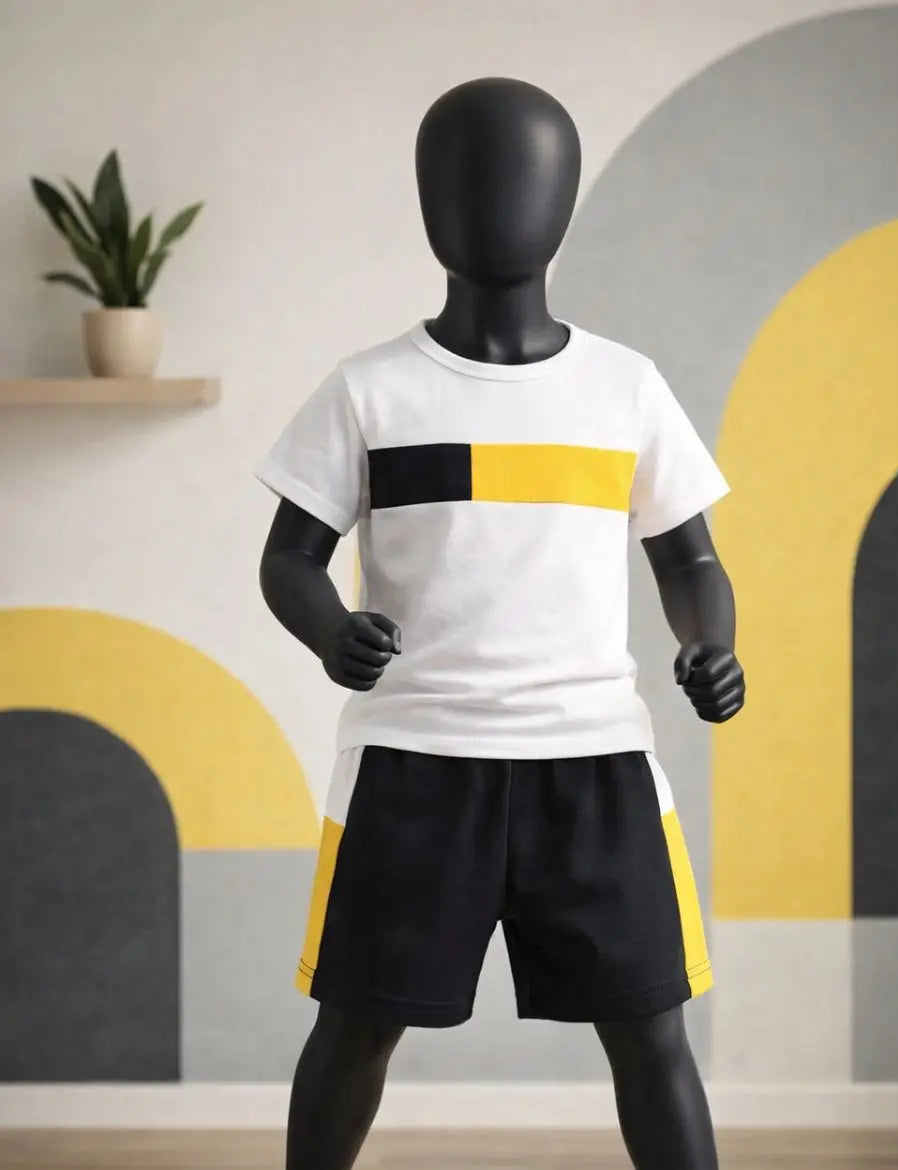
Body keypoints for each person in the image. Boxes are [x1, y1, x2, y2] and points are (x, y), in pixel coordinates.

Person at [257, 76, 745, 1170]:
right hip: (412, 764)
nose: (495, 202)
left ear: (562, 201)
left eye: (523, 178)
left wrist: (710, 642)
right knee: (356, 1026)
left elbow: (692, 556)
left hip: (598, 763)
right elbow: (289, 558)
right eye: (465, 180)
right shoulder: (370, 392)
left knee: (652, 1035)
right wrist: (329, 630)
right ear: (428, 202)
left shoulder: (625, 388)